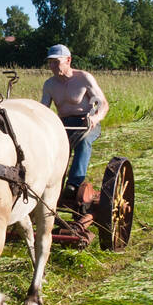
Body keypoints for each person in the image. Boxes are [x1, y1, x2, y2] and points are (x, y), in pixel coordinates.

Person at [40, 44, 109, 197]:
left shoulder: (83, 78)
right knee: (52, 149)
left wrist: (95, 118)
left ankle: (74, 185)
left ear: (68, 60)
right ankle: (53, 185)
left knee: (83, 142)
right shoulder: (49, 84)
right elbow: (43, 108)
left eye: (56, 62)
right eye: (50, 62)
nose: (52, 66)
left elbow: (103, 104)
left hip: (86, 122)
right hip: (62, 124)